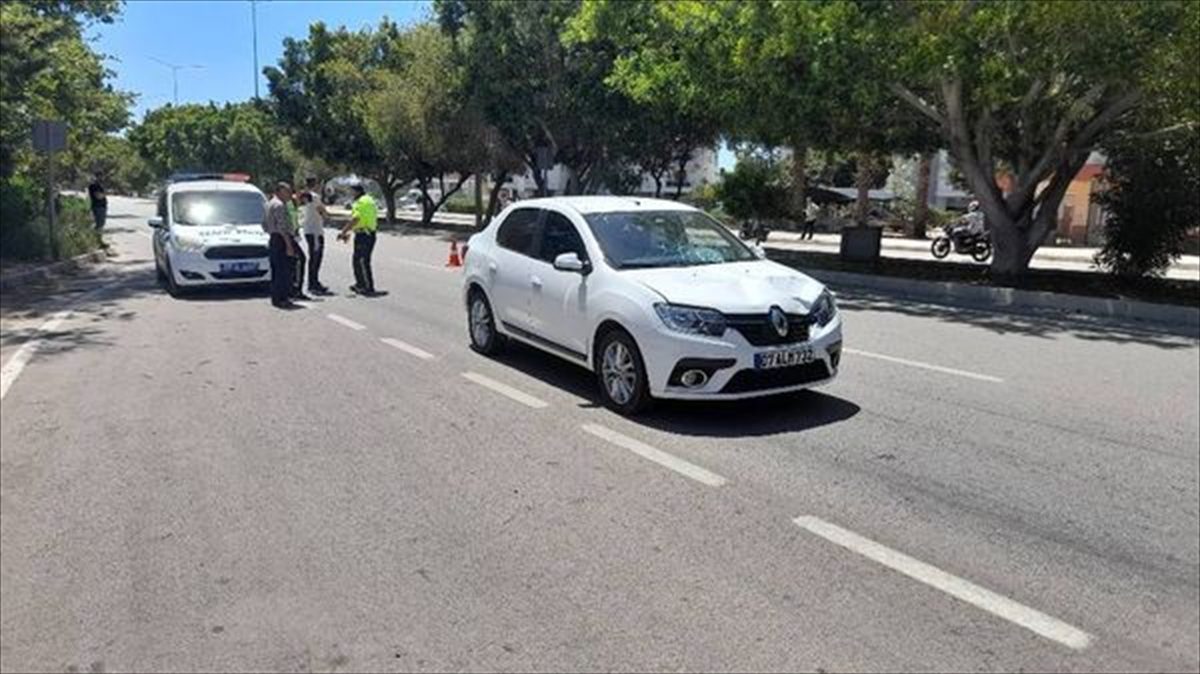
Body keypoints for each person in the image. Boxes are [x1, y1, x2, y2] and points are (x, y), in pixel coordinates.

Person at [338, 183, 382, 296]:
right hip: (367, 233)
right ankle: (360, 284)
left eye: (351, 192)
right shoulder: (369, 200)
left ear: (357, 191)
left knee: (362, 261)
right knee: (359, 260)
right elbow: (364, 218)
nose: (350, 194)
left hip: (364, 235)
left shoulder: (360, 202)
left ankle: (367, 286)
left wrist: (344, 231)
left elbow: (356, 218)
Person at [262, 181, 299, 309]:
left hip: (273, 239)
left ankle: (276, 298)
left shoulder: (268, 204)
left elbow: (264, 225)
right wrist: (288, 245)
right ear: (279, 191)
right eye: (287, 191)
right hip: (281, 239)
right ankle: (282, 298)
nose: (289, 194)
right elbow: (282, 228)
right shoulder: (279, 205)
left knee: (276, 270)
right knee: (283, 271)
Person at [299, 177, 331, 295]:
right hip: (315, 231)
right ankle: (313, 283)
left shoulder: (305, 195)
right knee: (316, 258)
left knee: (314, 257)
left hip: (309, 230)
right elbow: (322, 212)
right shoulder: (315, 197)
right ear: (316, 184)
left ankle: (313, 282)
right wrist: (327, 216)